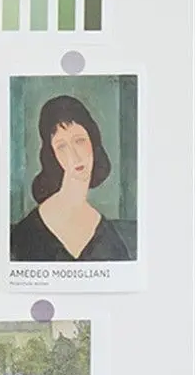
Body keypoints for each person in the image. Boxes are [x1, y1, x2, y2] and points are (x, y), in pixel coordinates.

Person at [10, 95, 130, 261]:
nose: (74, 155)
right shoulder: (26, 234)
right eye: (62, 147)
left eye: (79, 141)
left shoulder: (109, 238)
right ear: (53, 155)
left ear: (93, 140)